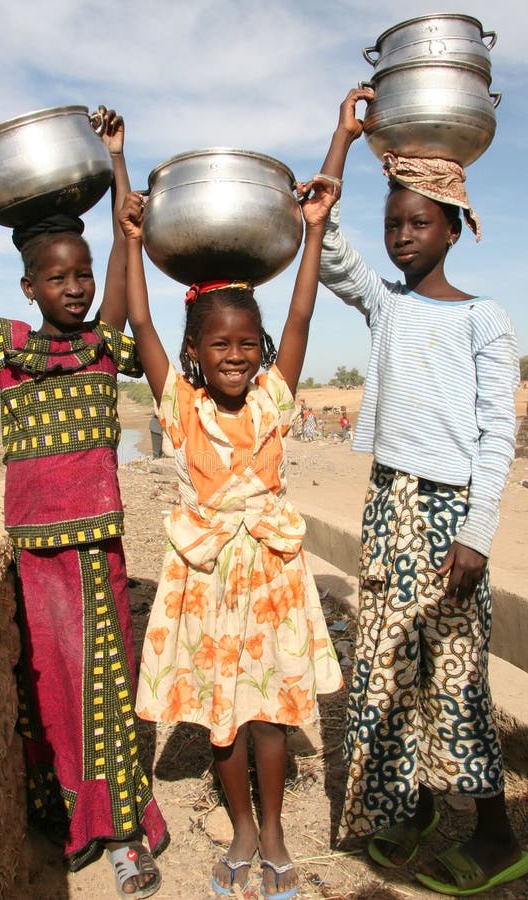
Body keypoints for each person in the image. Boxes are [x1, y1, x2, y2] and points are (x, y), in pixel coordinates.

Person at [0, 109, 167, 898]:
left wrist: (119, 162)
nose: (75, 288)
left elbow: (128, 249)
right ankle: (71, 821)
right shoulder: (13, 349)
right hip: (33, 548)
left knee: (104, 685)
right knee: (48, 688)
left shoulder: (102, 344)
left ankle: (123, 831)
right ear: (28, 285)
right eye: (58, 278)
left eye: (81, 276)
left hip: (94, 551)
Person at [317, 86, 527, 896]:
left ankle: (497, 837)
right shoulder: (386, 306)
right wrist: (342, 140)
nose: (401, 236)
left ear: (452, 227)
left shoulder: (482, 319)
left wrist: (475, 533)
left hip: (446, 520)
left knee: (452, 673)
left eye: (417, 223)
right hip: (389, 505)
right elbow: (326, 241)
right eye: (392, 225)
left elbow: (493, 436)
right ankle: (414, 810)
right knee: (390, 667)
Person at [118, 179, 344, 899]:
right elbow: (142, 326)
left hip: (272, 576)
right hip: (207, 579)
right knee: (224, 719)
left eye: (249, 343)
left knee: (271, 713)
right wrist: (129, 239)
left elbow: (302, 309)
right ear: (195, 350)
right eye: (220, 343)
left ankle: (271, 831)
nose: (236, 355)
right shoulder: (179, 406)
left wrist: (312, 226)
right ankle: (241, 827)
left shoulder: (275, 397)